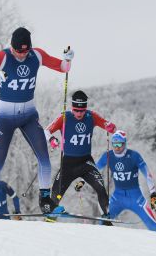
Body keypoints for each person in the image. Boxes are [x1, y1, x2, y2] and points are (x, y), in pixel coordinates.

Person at [0, 27, 74, 217]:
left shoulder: (37, 56)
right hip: (5, 118)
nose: (21, 55)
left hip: (28, 115)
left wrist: (67, 59)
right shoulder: (3, 57)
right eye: (18, 51)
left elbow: (62, 68)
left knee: (44, 157)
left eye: (24, 51)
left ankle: (45, 201)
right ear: (12, 47)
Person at [44, 90, 116, 223]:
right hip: (68, 163)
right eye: (76, 110)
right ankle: (50, 220)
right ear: (72, 108)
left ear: (86, 109)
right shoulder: (64, 117)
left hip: (86, 163)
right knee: (56, 194)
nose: (79, 114)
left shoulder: (91, 116)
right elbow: (46, 131)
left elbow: (108, 125)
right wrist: (52, 140)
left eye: (82, 111)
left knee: (101, 189)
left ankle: (106, 217)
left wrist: (111, 127)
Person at [96, 130, 156, 232]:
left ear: (125, 143)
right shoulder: (108, 155)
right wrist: (82, 181)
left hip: (135, 197)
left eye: (119, 144)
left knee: (154, 227)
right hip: (118, 197)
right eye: (114, 144)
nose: (117, 147)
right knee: (103, 223)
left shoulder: (134, 156)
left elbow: (147, 175)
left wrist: (153, 195)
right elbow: (94, 170)